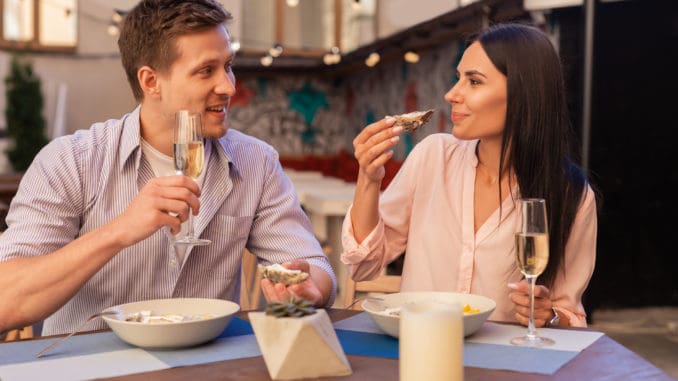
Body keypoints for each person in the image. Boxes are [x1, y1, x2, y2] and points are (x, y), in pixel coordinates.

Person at [0, 0, 335, 337]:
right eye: (207, 71)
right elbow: (5, 302)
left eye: (228, 66)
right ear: (150, 81)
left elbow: (317, 269)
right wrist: (118, 232)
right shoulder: (72, 161)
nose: (229, 86)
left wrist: (311, 289)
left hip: (204, 367)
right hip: (91, 367)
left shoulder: (256, 163)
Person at [341, 22, 597, 328]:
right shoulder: (432, 157)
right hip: (420, 347)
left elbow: (569, 315)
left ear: (523, 92)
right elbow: (364, 266)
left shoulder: (571, 194)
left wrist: (549, 315)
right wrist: (368, 178)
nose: (451, 94)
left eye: (474, 82)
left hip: (503, 364)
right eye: (458, 78)